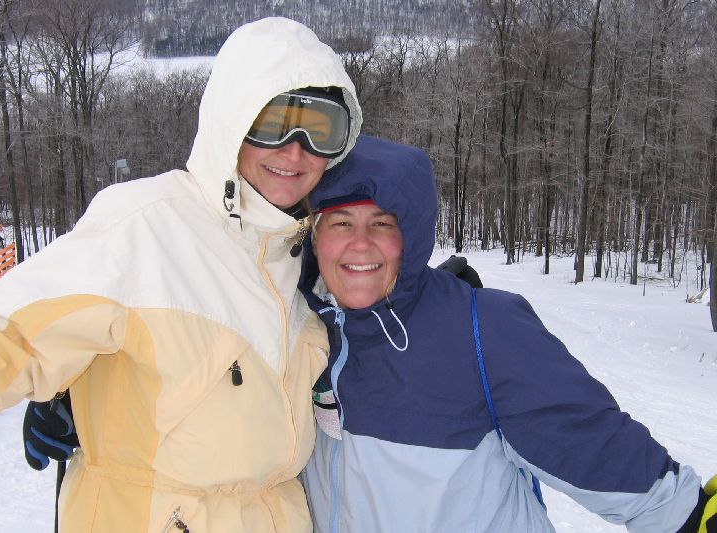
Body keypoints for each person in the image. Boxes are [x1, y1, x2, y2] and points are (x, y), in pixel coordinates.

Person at [0, 17, 361, 532]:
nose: (295, 149)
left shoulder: (310, 259)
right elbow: (8, 339)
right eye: (272, 123)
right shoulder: (146, 224)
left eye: (320, 129)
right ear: (232, 121)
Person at [297, 135, 716, 532]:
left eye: (383, 223)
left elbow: (596, 444)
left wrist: (690, 515)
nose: (360, 243)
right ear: (315, 236)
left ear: (411, 236)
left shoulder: (483, 329)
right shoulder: (295, 327)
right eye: (341, 223)